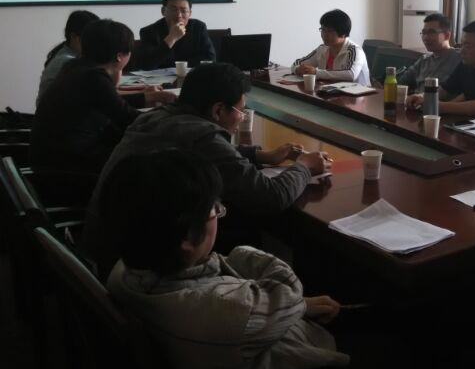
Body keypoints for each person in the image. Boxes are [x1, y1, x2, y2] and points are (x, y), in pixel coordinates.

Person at [104, 149, 348, 369]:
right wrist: (241, 254)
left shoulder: (123, 272)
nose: (219, 212)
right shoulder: (232, 310)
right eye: (214, 209)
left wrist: (301, 306)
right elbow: (288, 289)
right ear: (187, 239)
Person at [83, 62, 332, 278]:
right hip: (136, 268)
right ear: (217, 110)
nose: (242, 118)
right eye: (240, 111)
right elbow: (270, 196)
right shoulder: (202, 136)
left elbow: (204, 152)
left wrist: (260, 155)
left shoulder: (156, 117)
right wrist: (304, 166)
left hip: (106, 248)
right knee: (245, 220)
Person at [30, 19, 176, 174]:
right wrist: (171, 118)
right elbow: (127, 117)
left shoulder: (76, 66)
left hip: (49, 157)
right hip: (67, 167)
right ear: (119, 56)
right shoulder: (94, 77)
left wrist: (149, 97)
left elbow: (109, 102)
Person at [37, 10, 99, 107]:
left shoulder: (69, 55)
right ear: (74, 37)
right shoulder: (67, 62)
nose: (95, 44)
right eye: (91, 39)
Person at [292, 9, 370, 86]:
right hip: (331, 91)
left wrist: (316, 72)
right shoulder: (322, 48)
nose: (324, 34)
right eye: (323, 29)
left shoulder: (354, 50)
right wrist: (298, 69)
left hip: (358, 92)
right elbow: (297, 63)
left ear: (343, 33)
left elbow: (351, 74)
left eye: (330, 31)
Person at [139, 0, 216, 69]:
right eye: (174, 10)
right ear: (163, 11)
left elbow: (210, 58)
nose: (179, 15)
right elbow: (147, 65)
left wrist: (181, 67)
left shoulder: (198, 27)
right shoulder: (149, 31)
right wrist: (171, 38)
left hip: (191, 74)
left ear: (190, 13)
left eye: (184, 11)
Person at [398, 13, 461, 93]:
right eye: (424, 33)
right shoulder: (424, 60)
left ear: (447, 35)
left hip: (438, 100)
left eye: (432, 32)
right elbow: (401, 83)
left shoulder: (459, 59)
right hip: (416, 100)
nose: (426, 37)